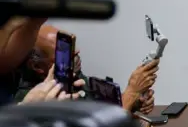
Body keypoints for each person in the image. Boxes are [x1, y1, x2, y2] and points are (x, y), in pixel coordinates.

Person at [13, 24, 159, 114]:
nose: (76, 52)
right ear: (37, 66)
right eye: (64, 52)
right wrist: (132, 92)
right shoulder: (34, 105)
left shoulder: (72, 79)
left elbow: (100, 114)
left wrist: (133, 102)